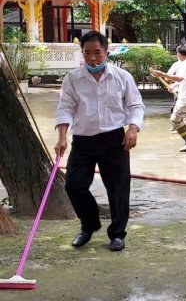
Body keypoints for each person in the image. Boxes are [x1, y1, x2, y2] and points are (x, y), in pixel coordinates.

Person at [54, 31, 144, 252]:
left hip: (114, 140)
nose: (92, 58)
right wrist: (62, 137)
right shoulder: (73, 79)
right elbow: (65, 107)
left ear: (106, 52)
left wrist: (133, 128)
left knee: (118, 189)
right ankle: (89, 225)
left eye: (97, 53)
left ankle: (117, 234)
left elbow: (136, 106)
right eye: (87, 53)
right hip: (83, 141)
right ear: (82, 53)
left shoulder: (122, 77)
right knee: (74, 185)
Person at [150, 45, 186, 153]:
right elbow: (184, 81)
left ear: (178, 54)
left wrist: (162, 73)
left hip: (185, 99)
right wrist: (173, 86)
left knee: (175, 120)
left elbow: (179, 78)